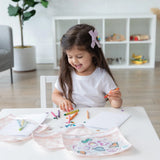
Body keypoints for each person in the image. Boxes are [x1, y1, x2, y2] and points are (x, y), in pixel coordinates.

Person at [52, 24, 122, 112]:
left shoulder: (102, 76)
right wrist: (62, 101)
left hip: (94, 119)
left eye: (79, 57)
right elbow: (55, 94)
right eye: (70, 57)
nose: (74, 61)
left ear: (92, 53)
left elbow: (115, 105)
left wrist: (116, 99)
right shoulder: (67, 73)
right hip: (71, 117)